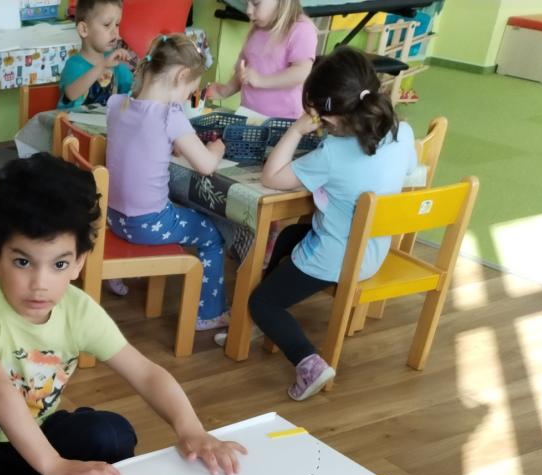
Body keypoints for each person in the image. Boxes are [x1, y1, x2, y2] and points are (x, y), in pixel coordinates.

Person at [0, 153, 245, 475]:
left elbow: (146, 373)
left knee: (111, 432)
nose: (40, 284)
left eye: (59, 264)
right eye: (23, 262)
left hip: (40, 437)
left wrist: (191, 429)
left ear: (78, 263)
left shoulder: (79, 310)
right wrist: (52, 464)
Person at [244, 46, 417, 400]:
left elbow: (271, 176)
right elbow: (411, 170)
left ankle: (309, 363)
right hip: (373, 250)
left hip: (337, 258)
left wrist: (296, 130)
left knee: (262, 303)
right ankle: (275, 326)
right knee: (291, 235)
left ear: (330, 118)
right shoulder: (402, 132)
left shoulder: (332, 154)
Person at [105, 33, 230, 332]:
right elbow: (206, 166)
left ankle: (116, 269)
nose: (188, 98)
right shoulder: (169, 115)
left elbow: (140, 143)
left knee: (175, 204)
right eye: (190, 90)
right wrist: (217, 149)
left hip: (113, 219)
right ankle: (208, 313)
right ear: (181, 76)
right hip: (147, 225)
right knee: (211, 234)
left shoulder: (117, 104)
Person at [204, 0, 317, 119]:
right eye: (246, 4)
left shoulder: (301, 29)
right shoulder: (256, 29)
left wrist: (261, 80)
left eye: (256, 3)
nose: (248, 11)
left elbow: (302, 72)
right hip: (248, 116)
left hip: (282, 121)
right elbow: (243, 72)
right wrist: (224, 91)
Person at [58, 0, 134, 110]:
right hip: (70, 120)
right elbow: (71, 94)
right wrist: (103, 65)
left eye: (117, 25)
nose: (115, 33)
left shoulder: (115, 64)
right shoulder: (74, 65)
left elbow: (134, 90)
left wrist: (147, 72)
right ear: (84, 29)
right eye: (107, 25)